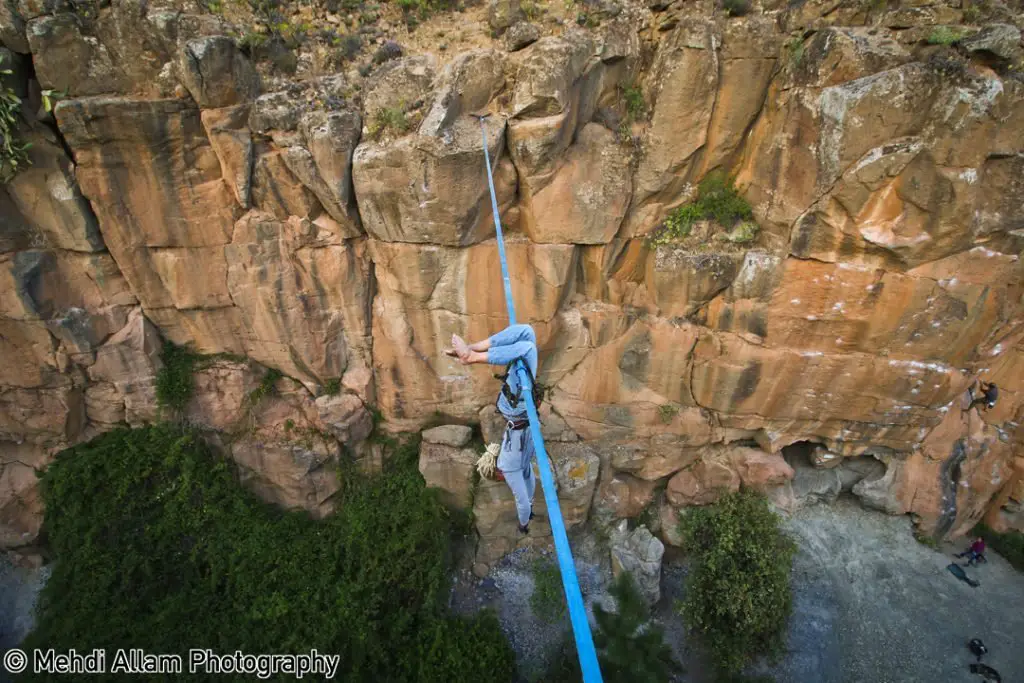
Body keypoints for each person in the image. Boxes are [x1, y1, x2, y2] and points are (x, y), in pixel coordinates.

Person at [445, 324, 540, 535]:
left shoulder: (509, 467)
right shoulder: (519, 465)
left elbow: (521, 500)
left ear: (497, 472)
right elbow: (530, 482)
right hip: (518, 406)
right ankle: (471, 351)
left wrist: (523, 523)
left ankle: (471, 355)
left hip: (517, 407)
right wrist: (530, 511)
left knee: (527, 348)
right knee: (527, 334)